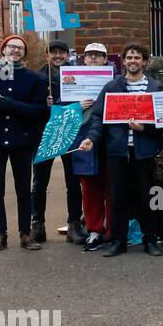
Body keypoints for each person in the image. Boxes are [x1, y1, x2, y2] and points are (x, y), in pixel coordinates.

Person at [79, 43, 163, 257]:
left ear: (145, 61)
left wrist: (144, 128)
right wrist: (91, 138)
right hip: (118, 152)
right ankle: (119, 241)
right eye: (129, 58)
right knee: (118, 198)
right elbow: (98, 118)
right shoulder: (112, 87)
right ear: (123, 61)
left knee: (147, 198)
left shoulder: (156, 87)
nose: (133, 61)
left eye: (137, 57)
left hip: (144, 152)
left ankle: (150, 240)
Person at [0, 35, 49, 250]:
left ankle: (25, 234)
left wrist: (12, 105)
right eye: (11, 46)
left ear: (24, 53)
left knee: (23, 190)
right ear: (3, 49)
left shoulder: (34, 79)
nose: (14, 50)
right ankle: (0, 234)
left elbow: (40, 112)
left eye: (19, 48)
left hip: (22, 141)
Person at [30, 38, 84, 244]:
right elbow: (30, 106)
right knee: (40, 181)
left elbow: (85, 98)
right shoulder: (37, 78)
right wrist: (44, 104)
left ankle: (74, 224)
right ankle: (37, 224)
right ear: (47, 55)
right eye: (53, 52)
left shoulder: (77, 75)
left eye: (62, 52)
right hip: (45, 134)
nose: (58, 55)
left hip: (70, 132)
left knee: (73, 181)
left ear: (68, 55)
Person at [72, 42, 112, 251]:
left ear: (106, 59)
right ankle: (94, 229)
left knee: (112, 186)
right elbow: (61, 111)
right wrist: (74, 106)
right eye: (90, 55)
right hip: (83, 139)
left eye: (98, 55)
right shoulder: (71, 81)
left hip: (109, 139)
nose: (94, 59)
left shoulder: (115, 82)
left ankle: (112, 230)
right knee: (89, 187)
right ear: (83, 59)